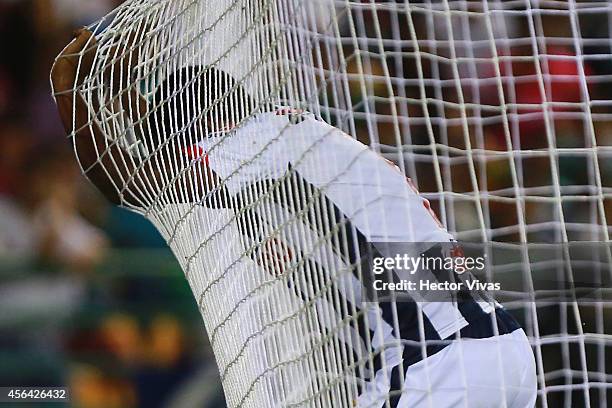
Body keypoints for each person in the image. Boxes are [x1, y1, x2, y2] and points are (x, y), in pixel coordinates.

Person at [52, 28, 537, 408]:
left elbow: (126, 182)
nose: (182, 156)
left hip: (440, 366)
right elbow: (164, 149)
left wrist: (69, 91)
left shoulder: (255, 143)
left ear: (206, 125)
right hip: (505, 351)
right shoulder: (293, 145)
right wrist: (112, 87)